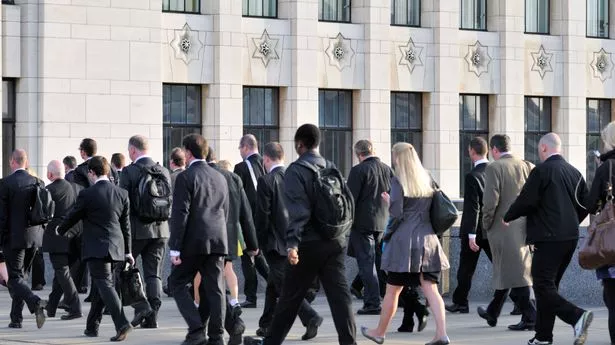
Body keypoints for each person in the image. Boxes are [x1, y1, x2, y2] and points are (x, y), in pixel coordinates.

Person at [244, 124, 356, 345]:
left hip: (308, 244)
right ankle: (349, 342)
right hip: (335, 242)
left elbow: (299, 211)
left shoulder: (297, 170)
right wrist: (342, 235)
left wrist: (292, 244)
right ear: (317, 143)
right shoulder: (330, 166)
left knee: (289, 299)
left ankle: (270, 342)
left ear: (299, 145)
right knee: (340, 298)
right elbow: (349, 202)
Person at [503, 133, 592, 345]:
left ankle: (576, 316)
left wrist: (508, 216)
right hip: (570, 237)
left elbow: (527, 199)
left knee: (542, 285)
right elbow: (585, 204)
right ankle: (543, 336)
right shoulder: (574, 172)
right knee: (549, 287)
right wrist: (571, 223)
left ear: (544, 148)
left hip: (548, 238)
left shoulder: (541, 171)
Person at [361, 142, 450, 345]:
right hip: (428, 239)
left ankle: (379, 332)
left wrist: (387, 201)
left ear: (398, 158)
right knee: (432, 290)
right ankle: (442, 334)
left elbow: (397, 212)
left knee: (393, 290)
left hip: (405, 242)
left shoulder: (398, 180)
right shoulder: (427, 177)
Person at [56, 156, 133, 341]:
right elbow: (126, 226)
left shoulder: (88, 194)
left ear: (91, 172)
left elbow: (74, 215)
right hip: (117, 248)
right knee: (100, 287)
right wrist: (128, 251)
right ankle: (92, 327)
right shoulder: (122, 193)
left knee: (104, 285)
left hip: (96, 248)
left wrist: (60, 229)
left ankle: (122, 323)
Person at [253, 142, 323, 339]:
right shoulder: (296, 177)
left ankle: (311, 316)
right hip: (297, 239)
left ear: (266, 159)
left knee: (285, 286)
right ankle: (266, 324)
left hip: (276, 243)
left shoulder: (266, 181)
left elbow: (263, 216)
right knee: (273, 284)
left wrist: (257, 242)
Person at [169, 134, 229, 345]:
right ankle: (217, 336)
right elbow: (225, 211)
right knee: (216, 289)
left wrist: (175, 248)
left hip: (193, 241)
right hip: (217, 240)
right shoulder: (220, 177)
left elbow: (180, 214)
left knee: (175, 282)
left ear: (187, 152)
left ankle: (196, 330)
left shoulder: (186, 177)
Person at [478, 134, 536, 330]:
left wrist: (486, 223)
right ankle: (492, 312)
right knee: (511, 269)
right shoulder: (526, 165)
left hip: (502, 226)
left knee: (515, 272)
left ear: (494, 150)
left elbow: (490, 201)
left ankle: (531, 316)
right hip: (524, 226)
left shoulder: (494, 167)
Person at [205, 146, 259, 345]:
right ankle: (219, 329)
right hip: (229, 236)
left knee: (207, 284)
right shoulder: (233, 178)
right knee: (214, 283)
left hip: (206, 240)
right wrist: (252, 243)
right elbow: (245, 212)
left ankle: (220, 329)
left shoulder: (201, 175)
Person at [119, 135, 170, 328]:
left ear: (133, 150)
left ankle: (140, 305)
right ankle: (152, 317)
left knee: (125, 270)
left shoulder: (129, 172)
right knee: (154, 274)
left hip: (137, 230)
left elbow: (123, 204)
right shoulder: (163, 170)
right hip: (162, 229)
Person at [0, 149, 47, 329]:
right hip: (34, 238)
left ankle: (35, 302)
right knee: (21, 277)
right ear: (25, 162)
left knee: (15, 279)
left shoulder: (5, 184)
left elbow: (2, 216)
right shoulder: (38, 182)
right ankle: (16, 318)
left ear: (12, 161)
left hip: (14, 239)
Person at [346, 140, 393, 315]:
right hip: (383, 223)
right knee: (379, 262)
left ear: (358, 154)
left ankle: (372, 303)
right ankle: (384, 296)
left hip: (363, 224)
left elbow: (350, 199)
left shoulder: (358, 170)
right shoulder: (387, 169)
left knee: (366, 263)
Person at [446, 137, 492, 314]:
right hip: (492, 229)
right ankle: (521, 301)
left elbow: (473, 207)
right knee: (501, 266)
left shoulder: (473, 176)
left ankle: (461, 302)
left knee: (466, 268)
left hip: (475, 230)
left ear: (471, 151)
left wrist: (471, 234)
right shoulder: (496, 171)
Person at [43, 160, 83, 320]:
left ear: (50, 174)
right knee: (61, 273)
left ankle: (75, 307)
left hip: (57, 236)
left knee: (62, 272)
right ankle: (51, 307)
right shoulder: (75, 187)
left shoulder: (48, 190)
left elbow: (42, 213)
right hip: (76, 235)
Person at [587, 121, 615, 345]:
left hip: (612, 245)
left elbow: (592, 204)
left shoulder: (608, 167)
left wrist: (601, 169)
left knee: (613, 302)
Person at [234, 134, 270, 308]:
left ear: (246, 147)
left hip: (250, 220)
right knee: (261, 257)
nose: (239, 152)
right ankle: (278, 286)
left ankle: (251, 296)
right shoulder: (267, 164)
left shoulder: (241, 167)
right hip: (268, 219)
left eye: (240, 148)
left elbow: (239, 198)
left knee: (248, 258)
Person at [163, 147, 186, 298]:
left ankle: (173, 285)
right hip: (190, 220)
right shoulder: (190, 175)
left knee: (175, 252)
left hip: (173, 220)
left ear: (172, 162)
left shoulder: (170, 178)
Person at [25, 168, 46, 292]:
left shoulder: (25, 185)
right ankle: (38, 282)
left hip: (28, 224)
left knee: (26, 255)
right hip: (39, 223)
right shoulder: (41, 183)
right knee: (38, 255)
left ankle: (23, 279)